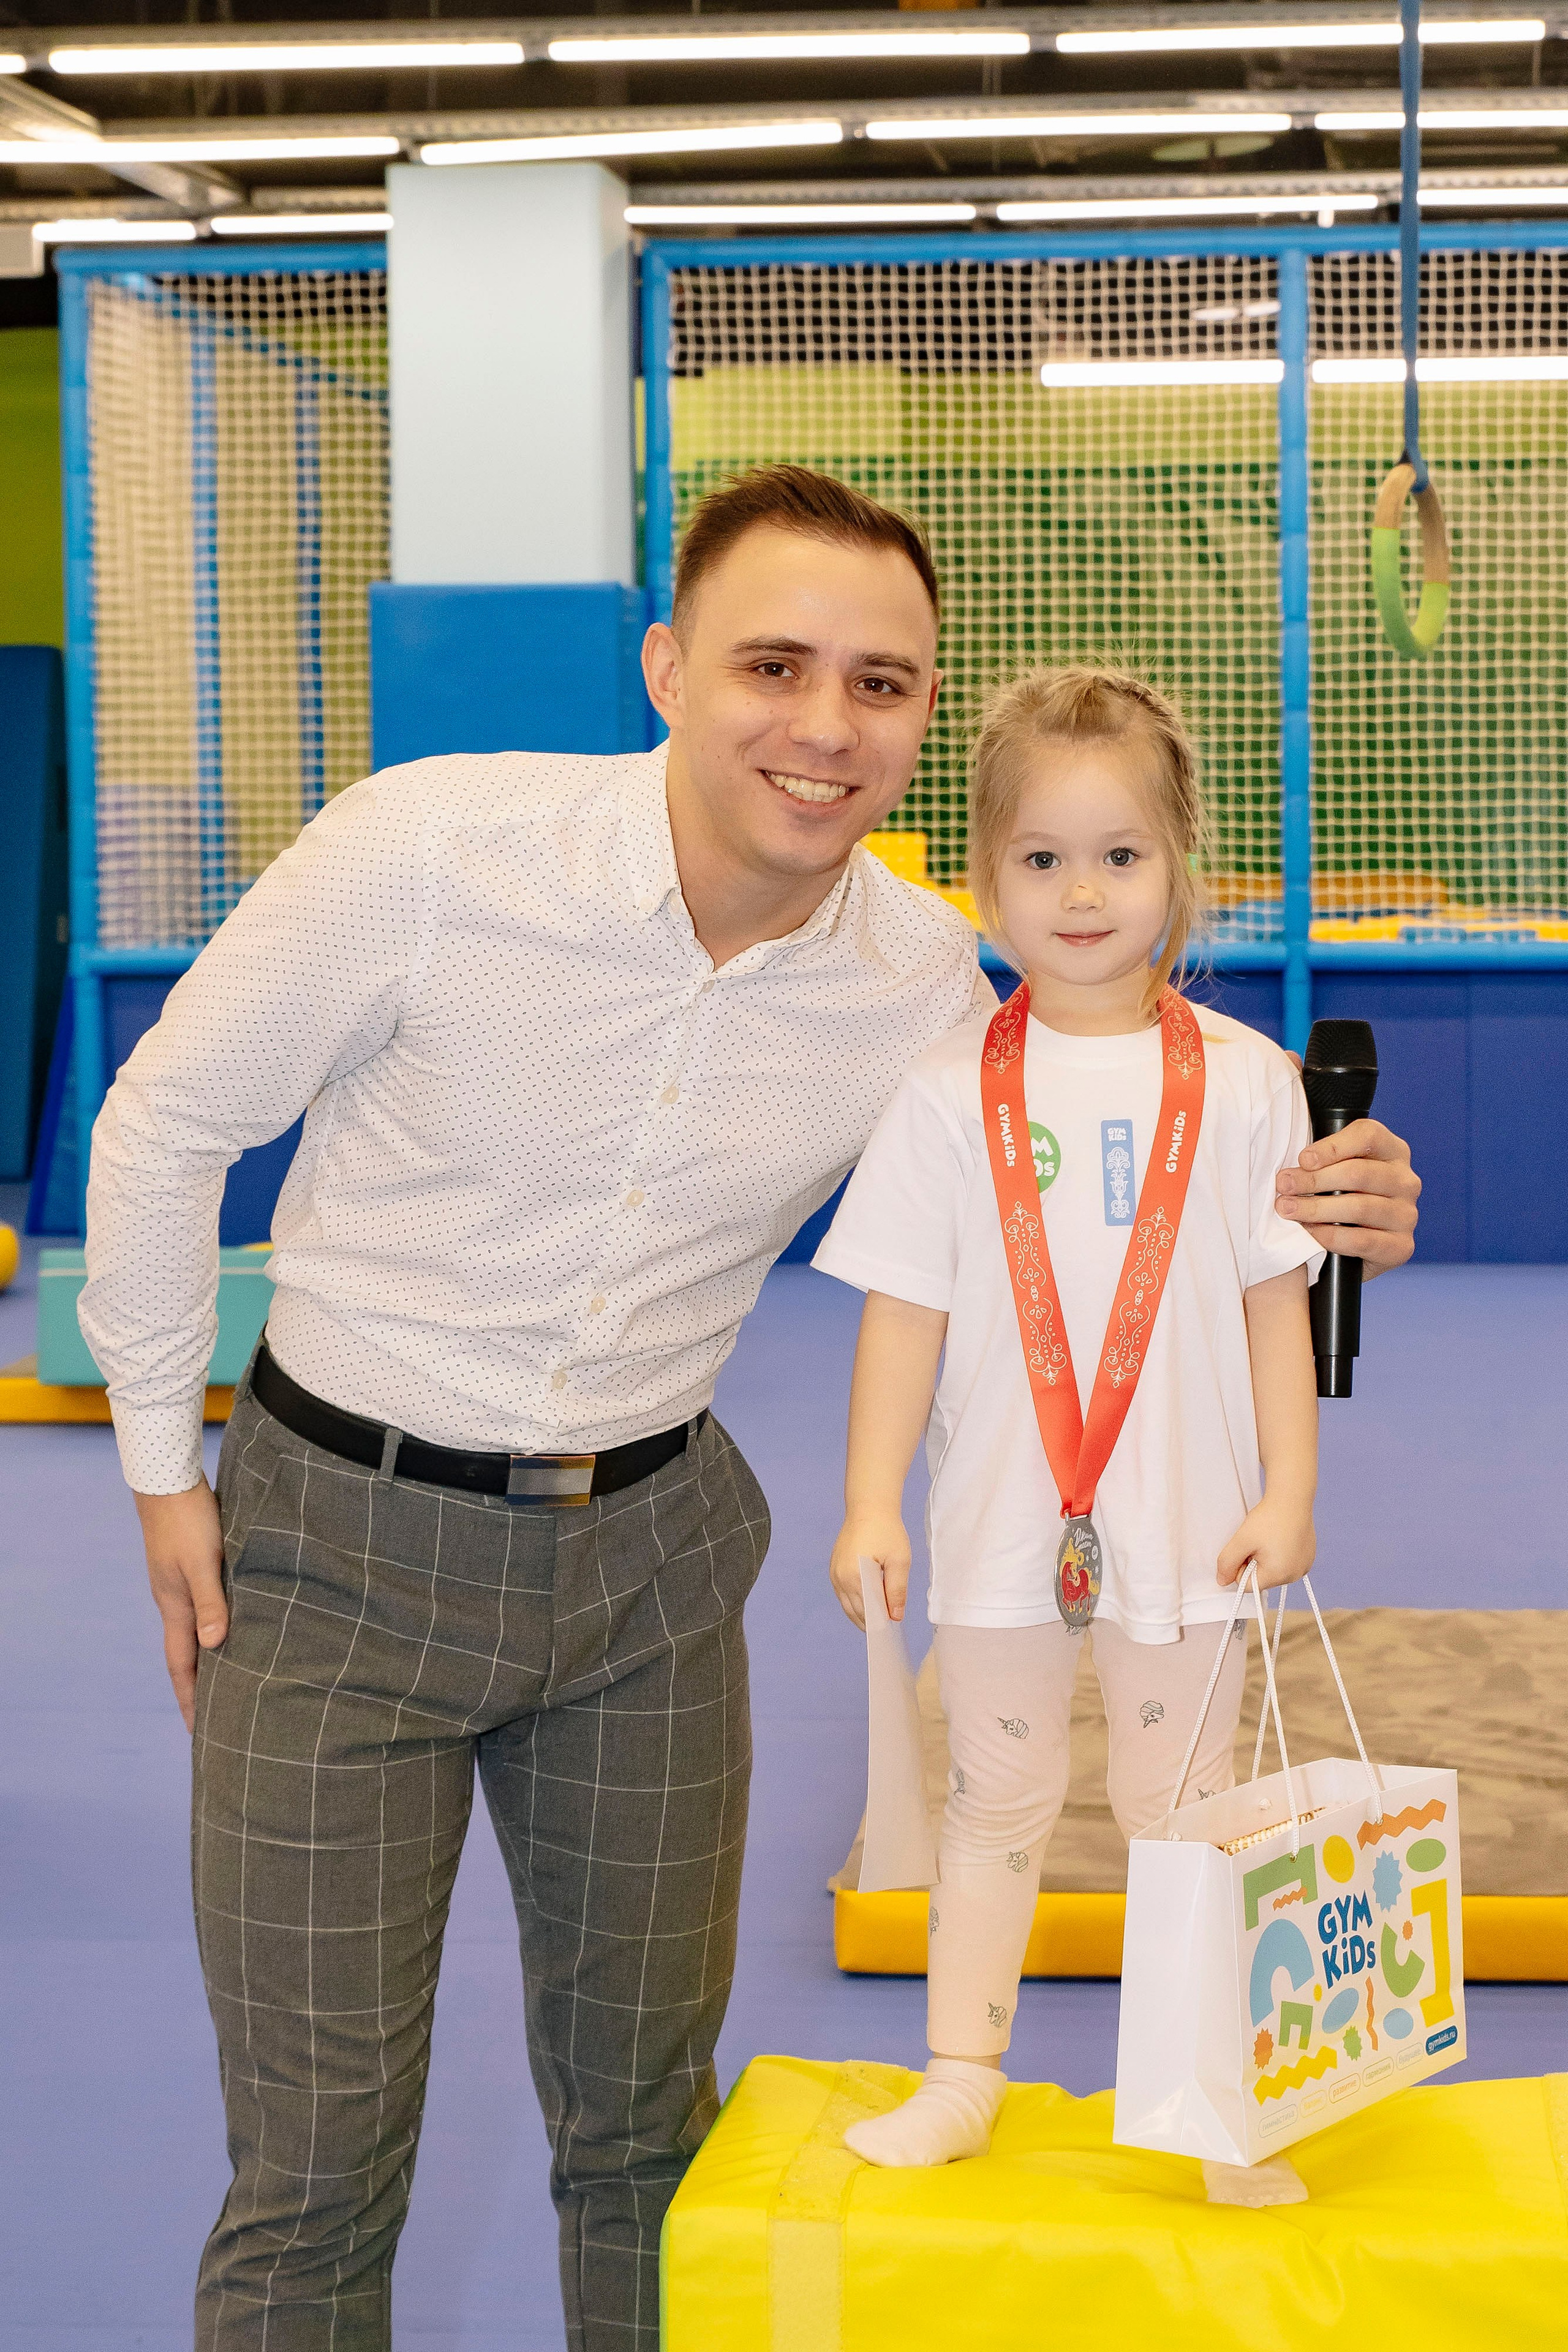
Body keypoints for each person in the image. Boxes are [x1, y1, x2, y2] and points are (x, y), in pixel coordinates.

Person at [80, 470, 1419, 2351]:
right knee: (317, 2168)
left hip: (649, 1580)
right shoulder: (431, 851)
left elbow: (1132, 1124)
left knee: (650, 2144)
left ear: (922, 721)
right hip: (335, 1559)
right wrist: (162, 1477)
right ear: (665, 665)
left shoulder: (920, 991)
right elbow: (161, 1128)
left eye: (881, 685)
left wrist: (1333, 1192)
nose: (822, 724)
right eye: (772, 664)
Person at [816, 665, 1322, 2191]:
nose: (1081, 893)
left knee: (1188, 1817)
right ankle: (961, 2073)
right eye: (1040, 859)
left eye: (1119, 855)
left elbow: (1268, 1306)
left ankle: (1207, 2099)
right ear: (982, 881)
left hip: (1184, 1526)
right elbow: (899, 1310)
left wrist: (1289, 1485)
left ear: (1180, 869)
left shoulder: (1246, 1085)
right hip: (993, 1530)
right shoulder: (935, 1091)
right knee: (995, 1802)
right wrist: (870, 1504)